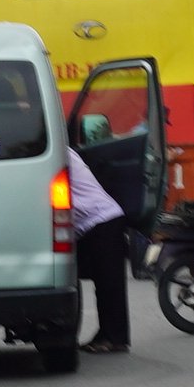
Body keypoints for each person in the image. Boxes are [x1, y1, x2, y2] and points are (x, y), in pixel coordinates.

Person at [68, 150, 132, 354]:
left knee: (108, 284)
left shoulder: (59, 153)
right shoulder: (65, 150)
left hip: (102, 219)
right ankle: (107, 334)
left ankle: (115, 338)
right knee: (102, 281)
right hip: (93, 223)